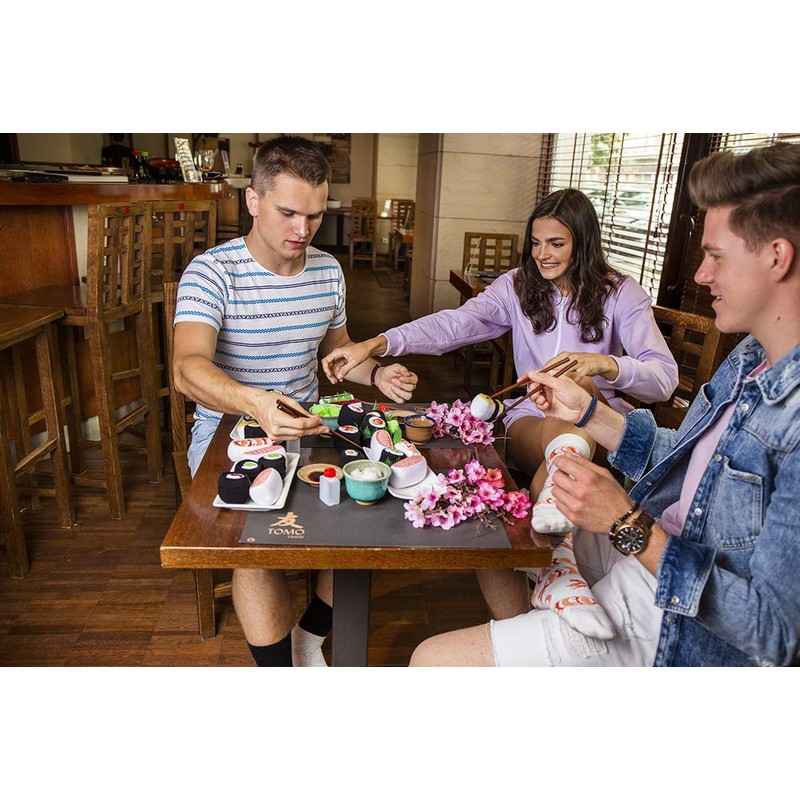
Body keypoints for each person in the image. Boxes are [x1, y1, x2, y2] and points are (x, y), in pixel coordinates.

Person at [409, 141, 800, 667]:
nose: (701, 275)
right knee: (496, 527)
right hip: (642, 530)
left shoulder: (624, 295)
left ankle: (548, 600)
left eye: (715, 255)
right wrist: (590, 414)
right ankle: (549, 594)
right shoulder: (749, 359)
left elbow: (775, 633)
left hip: (667, 602)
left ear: (777, 256)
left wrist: (626, 522)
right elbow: (687, 462)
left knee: (434, 658)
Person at [322, 188, 678, 639]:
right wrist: (376, 344)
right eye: (535, 242)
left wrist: (604, 363)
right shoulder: (516, 286)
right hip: (534, 421)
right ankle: (555, 552)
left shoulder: (621, 293)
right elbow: (453, 324)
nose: (542, 255)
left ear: (583, 242)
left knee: (577, 388)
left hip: (604, 430)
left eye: (556, 243)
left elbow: (664, 378)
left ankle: (555, 563)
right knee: (555, 427)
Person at [173, 135, 418, 667]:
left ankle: (309, 637)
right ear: (253, 200)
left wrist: (377, 373)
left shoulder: (328, 271)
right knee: (256, 549)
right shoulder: (212, 272)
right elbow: (187, 369)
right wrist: (255, 403)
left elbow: (336, 351)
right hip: (229, 432)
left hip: (310, 424)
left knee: (363, 517)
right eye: (287, 212)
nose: (302, 230)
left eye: (314, 215)